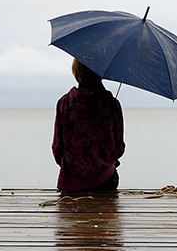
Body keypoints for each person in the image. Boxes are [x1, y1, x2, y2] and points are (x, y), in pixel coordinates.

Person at [52, 59, 124, 192]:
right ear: (100, 73)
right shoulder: (112, 104)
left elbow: (57, 149)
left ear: (76, 72)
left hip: (71, 184)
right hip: (104, 181)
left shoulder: (64, 103)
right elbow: (119, 149)